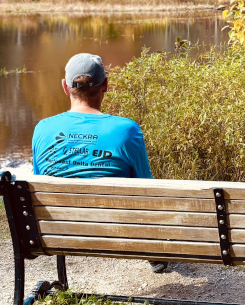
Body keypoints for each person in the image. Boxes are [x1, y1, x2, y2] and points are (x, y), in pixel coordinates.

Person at [32, 52, 166, 273]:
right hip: (116, 231)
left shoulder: (43, 129)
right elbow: (146, 187)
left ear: (65, 87)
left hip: (58, 229)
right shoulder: (126, 130)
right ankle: (152, 252)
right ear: (105, 85)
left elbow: (39, 180)